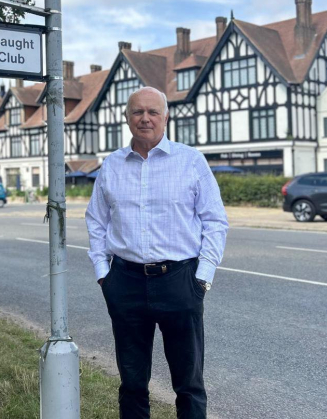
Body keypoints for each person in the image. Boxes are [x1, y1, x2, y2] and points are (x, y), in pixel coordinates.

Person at [86, 86, 228, 419]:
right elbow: (96, 220)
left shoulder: (190, 161)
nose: (145, 118)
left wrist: (202, 278)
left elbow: (215, 222)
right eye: (137, 112)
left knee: (189, 383)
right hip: (125, 282)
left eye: (153, 112)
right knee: (132, 383)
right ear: (127, 118)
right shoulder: (112, 166)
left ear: (166, 117)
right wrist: (103, 274)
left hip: (180, 281)